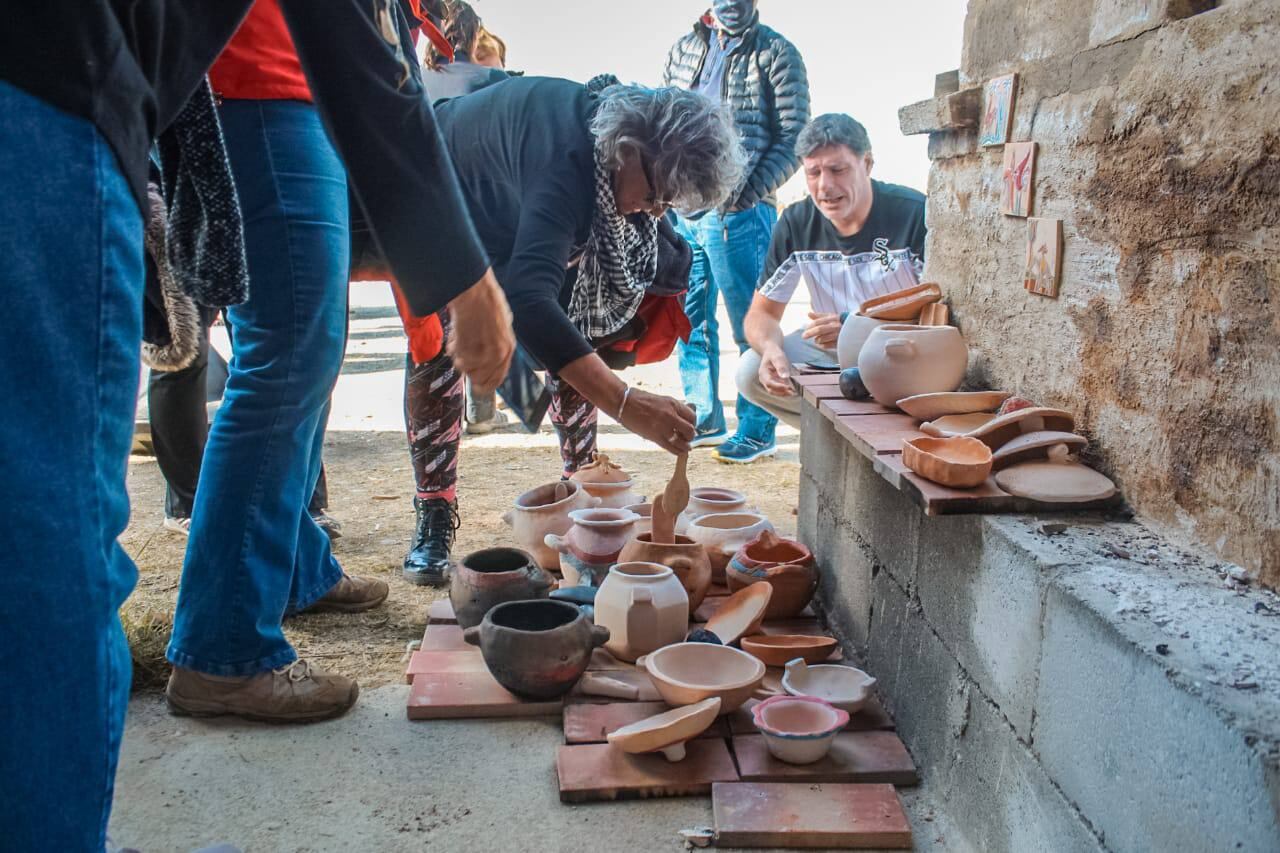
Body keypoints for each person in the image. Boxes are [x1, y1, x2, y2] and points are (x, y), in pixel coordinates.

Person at [0, 2, 514, 847]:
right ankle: (226, 642)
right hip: (164, 86)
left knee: (310, 343)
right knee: (51, 522)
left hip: (175, 81)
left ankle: (289, 569)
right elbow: (354, 42)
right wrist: (462, 273)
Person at [398, 76, 746, 585]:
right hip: (432, 199)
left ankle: (584, 496)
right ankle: (432, 514)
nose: (654, 211)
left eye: (667, 204)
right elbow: (529, 303)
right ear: (629, 150)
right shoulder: (567, 166)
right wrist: (625, 402)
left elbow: (565, 317)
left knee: (578, 327)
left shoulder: (616, 157)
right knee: (445, 347)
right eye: (655, 195)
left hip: (511, 215)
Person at [663, 0, 809, 464]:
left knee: (751, 323)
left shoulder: (778, 53)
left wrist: (746, 195)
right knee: (688, 321)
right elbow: (665, 122)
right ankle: (704, 417)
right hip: (685, 210)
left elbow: (794, 138)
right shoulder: (684, 48)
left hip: (741, 215)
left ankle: (757, 427)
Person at [739, 114, 928, 425]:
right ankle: (838, 433)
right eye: (813, 173)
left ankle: (868, 430)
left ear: (866, 163)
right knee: (750, 371)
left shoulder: (914, 214)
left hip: (901, 349)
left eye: (838, 170)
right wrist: (770, 348)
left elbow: (941, 318)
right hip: (831, 349)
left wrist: (858, 328)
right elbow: (762, 314)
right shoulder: (796, 222)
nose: (825, 186)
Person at [421, 0, 512, 435]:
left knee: (431, 347)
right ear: (475, 37)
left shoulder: (412, 84)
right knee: (480, 324)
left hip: (425, 229)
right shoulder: (493, 82)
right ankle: (481, 409)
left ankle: (435, 495)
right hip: (479, 224)